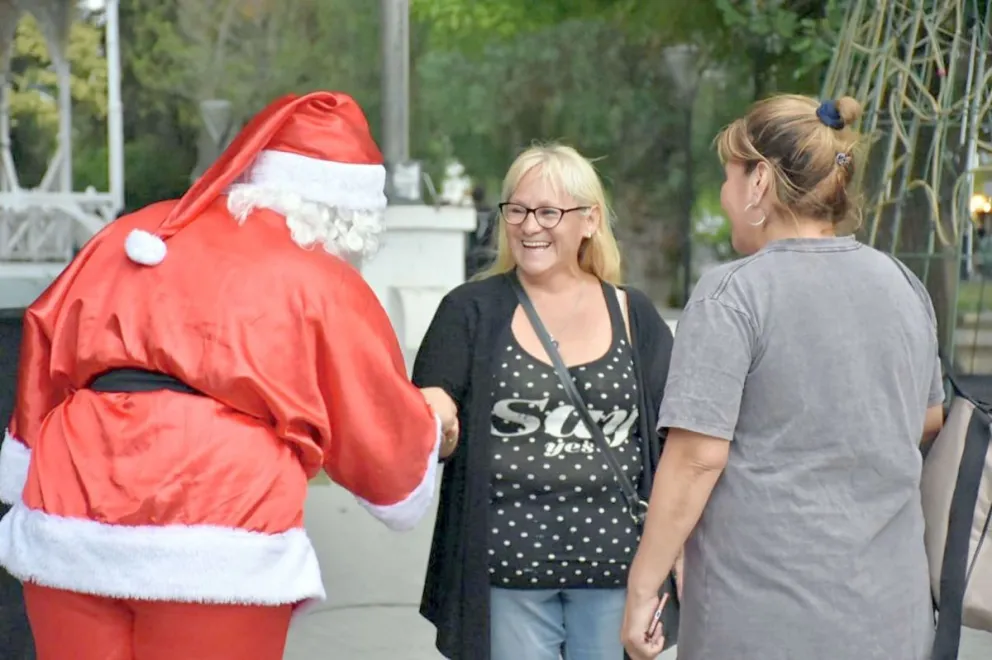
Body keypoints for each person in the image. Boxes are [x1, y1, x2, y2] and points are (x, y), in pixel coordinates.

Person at [0, 91, 457, 660]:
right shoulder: (317, 278)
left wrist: (23, 458)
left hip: (69, 503)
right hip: (220, 516)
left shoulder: (132, 233)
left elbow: (42, 339)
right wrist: (435, 421)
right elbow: (377, 425)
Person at [621, 95, 945, 660]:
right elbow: (929, 416)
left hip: (763, 615)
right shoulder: (902, 284)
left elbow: (695, 459)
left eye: (728, 177)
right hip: (892, 613)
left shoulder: (732, 295)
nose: (724, 195)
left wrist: (642, 587)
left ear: (760, 182)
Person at [414, 143, 675, 660]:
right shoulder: (469, 312)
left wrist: (675, 559)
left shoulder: (634, 315)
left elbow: (675, 446)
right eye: (518, 210)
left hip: (616, 573)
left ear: (589, 220)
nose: (530, 226)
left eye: (549, 212)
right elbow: (429, 407)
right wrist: (436, 422)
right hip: (506, 575)